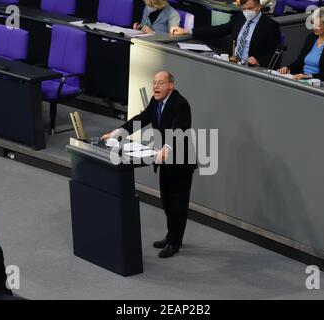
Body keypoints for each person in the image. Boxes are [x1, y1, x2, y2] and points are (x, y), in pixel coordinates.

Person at [101, 71, 196, 258]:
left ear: (171, 85)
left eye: (160, 83)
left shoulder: (181, 104)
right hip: (164, 159)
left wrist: (167, 148)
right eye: (154, 83)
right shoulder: (156, 102)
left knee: (178, 203)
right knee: (167, 201)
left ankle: (175, 242)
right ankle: (171, 236)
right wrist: (117, 132)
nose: (156, 87)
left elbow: (178, 130)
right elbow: (141, 119)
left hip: (181, 161)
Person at [170, 0, 281, 68]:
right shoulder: (239, 18)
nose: (247, 12)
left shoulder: (270, 26)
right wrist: (189, 31)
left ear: (259, 7)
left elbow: (275, 53)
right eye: (244, 9)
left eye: (250, 8)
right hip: (233, 64)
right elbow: (219, 30)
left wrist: (258, 61)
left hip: (253, 68)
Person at [278, 7, 324, 86]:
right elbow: (300, 61)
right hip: (302, 79)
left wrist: (309, 76)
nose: (314, 27)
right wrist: (288, 68)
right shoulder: (311, 37)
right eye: (313, 23)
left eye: (318, 25)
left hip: (319, 83)